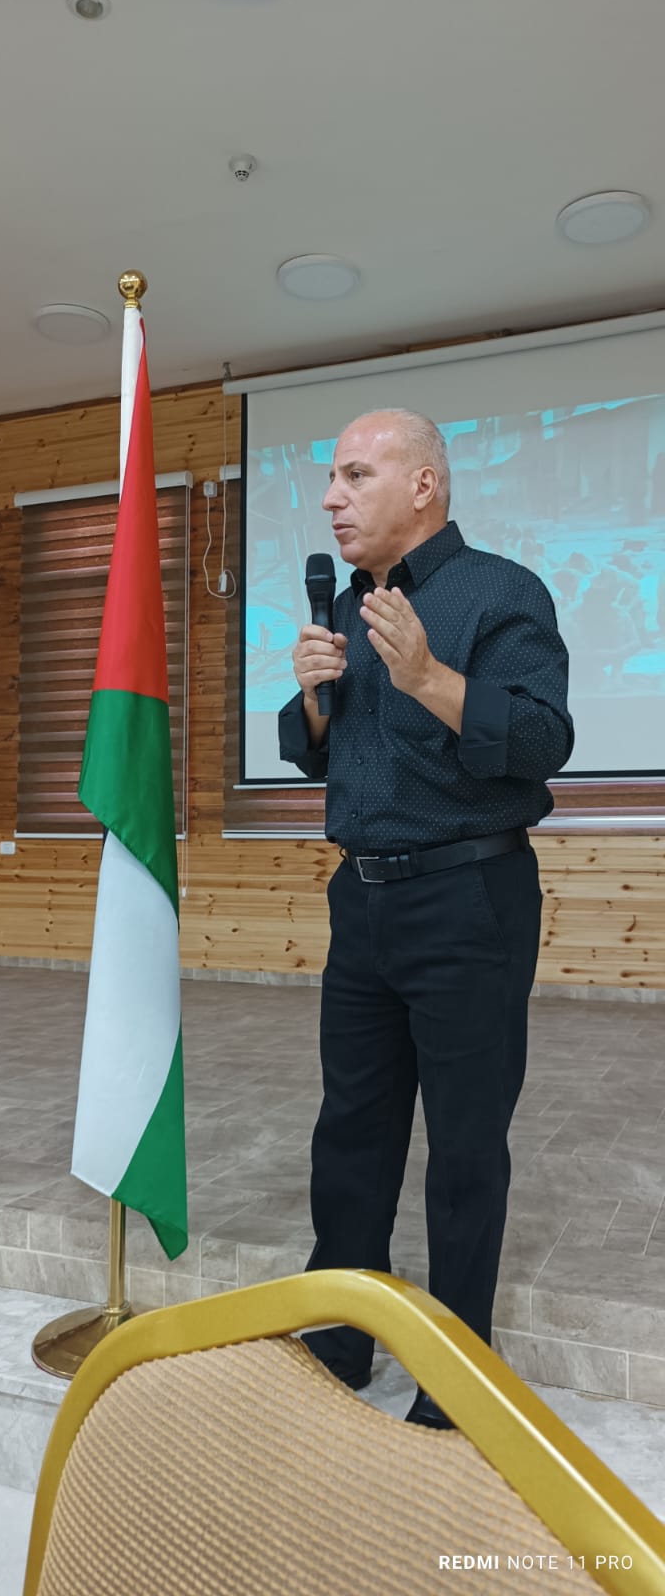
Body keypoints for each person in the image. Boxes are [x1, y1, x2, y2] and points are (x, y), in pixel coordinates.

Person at [278, 409, 574, 1428]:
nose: (332, 497)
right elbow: (327, 752)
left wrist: (429, 678)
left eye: (355, 475)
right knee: (350, 1134)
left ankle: (454, 1377)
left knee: (464, 1146)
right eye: (331, 477)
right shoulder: (351, 605)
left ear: (423, 486)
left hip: (468, 901)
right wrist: (314, 697)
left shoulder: (502, 592)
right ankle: (341, 1339)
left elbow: (540, 739)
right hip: (361, 901)